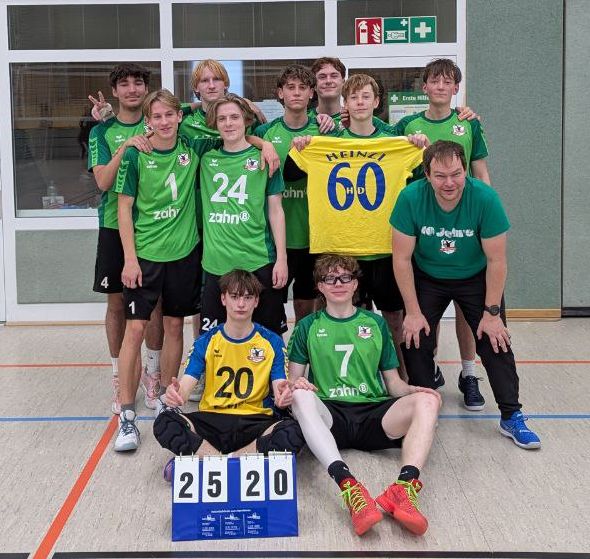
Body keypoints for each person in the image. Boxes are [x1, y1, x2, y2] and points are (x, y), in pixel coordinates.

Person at [112, 89, 278, 452]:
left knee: (174, 327)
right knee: (135, 329)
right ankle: (126, 414)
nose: (164, 122)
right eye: (156, 117)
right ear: (148, 121)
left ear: (179, 117)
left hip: (185, 254)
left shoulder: (195, 147)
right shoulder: (137, 154)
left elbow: (232, 135)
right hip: (145, 255)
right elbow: (123, 208)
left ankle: (165, 400)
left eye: (169, 115)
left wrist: (263, 142)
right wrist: (129, 258)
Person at [391, 141, 541, 450]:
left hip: (475, 276)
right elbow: (401, 259)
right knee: (415, 338)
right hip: (427, 275)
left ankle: (511, 415)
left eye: (456, 174)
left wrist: (492, 313)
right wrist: (413, 312)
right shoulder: (410, 198)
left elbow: (497, 261)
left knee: (495, 340)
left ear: (465, 171)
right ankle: (423, 409)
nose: (449, 183)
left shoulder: (485, 198)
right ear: (426, 175)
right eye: (440, 176)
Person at [285, 74, 427, 378]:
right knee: (345, 319)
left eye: (366, 96)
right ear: (345, 105)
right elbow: (290, 171)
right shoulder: (327, 143)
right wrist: (301, 145)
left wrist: (418, 145)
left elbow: (421, 177)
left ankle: (400, 380)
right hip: (341, 250)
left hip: (385, 248)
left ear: (376, 102)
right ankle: (345, 379)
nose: (360, 102)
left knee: (393, 319)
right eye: (353, 97)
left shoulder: (396, 143)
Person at [288, 254, 441, 537]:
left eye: (345, 277)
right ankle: (349, 486)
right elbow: (294, 380)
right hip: (330, 418)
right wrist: (295, 387)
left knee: (428, 400)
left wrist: (414, 392)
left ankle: (403, 489)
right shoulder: (307, 326)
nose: (338, 284)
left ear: (355, 284)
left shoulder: (375, 324)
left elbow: (393, 383)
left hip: (373, 413)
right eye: (330, 279)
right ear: (319, 286)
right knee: (299, 395)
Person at [392, 58, 490, 410]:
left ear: (455, 88)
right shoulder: (407, 125)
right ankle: (428, 367)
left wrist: (485, 219)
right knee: (423, 306)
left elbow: (481, 173)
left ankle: (468, 373)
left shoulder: (468, 123)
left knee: (465, 305)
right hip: (423, 228)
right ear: (425, 87)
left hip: (463, 225)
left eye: (448, 81)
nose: (440, 87)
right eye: (435, 81)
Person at [153, 269, 305, 474]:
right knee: (165, 422)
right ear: (223, 299)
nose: (241, 304)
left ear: (256, 301)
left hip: (255, 420)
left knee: (293, 432)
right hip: (212, 419)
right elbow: (186, 386)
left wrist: (283, 396)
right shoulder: (206, 341)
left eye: (247, 297)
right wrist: (176, 393)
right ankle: (236, 462)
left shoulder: (272, 342)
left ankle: (210, 460)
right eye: (234, 296)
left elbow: (280, 387)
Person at [88, 63, 163, 415]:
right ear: (115, 91)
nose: (132, 89)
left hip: (154, 228)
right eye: (124, 84)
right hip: (113, 227)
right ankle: (120, 376)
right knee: (117, 305)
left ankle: (152, 373)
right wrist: (125, 147)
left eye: (138, 83)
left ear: (146, 88)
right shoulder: (102, 131)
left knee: (155, 305)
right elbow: (103, 182)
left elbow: (201, 108)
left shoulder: (159, 121)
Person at [199, 94, 288, 337]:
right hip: (217, 264)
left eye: (234, 117)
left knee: (269, 338)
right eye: (222, 119)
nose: (228, 123)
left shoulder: (266, 158)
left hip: (257, 260)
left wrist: (281, 258)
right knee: (213, 341)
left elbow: (276, 211)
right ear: (215, 124)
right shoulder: (205, 157)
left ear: (246, 120)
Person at [254, 65, 328, 323]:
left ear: (311, 93)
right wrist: (262, 143)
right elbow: (240, 139)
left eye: (302, 88)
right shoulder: (265, 133)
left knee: (307, 303)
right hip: (276, 238)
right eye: (290, 87)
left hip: (314, 236)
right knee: (271, 306)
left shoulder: (325, 131)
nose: (296, 93)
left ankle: (303, 346)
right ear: (280, 93)